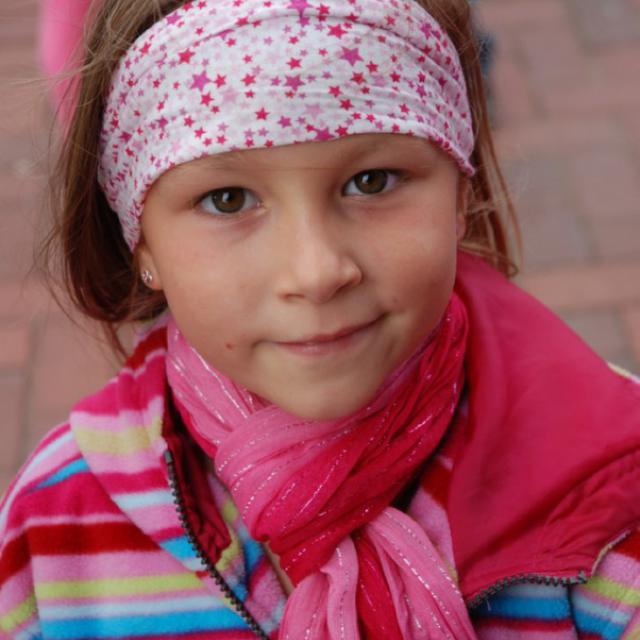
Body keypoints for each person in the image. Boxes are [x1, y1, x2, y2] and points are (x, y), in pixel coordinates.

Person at [2, 0, 640, 638]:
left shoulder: (610, 495)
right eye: (228, 199)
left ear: (459, 193)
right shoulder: (57, 535)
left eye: (372, 181)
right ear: (141, 242)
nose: (315, 272)